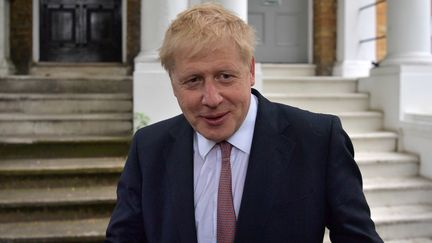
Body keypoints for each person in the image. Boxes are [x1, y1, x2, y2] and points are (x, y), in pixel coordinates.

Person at [105, 3, 383, 243]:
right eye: (193, 80)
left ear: (250, 71)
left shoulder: (318, 140)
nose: (211, 99)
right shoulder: (148, 147)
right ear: (173, 84)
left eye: (225, 76)